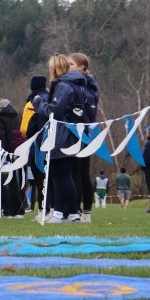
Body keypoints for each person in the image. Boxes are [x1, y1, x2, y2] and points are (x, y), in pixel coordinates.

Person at [32, 54, 88, 223]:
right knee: (60, 175)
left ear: (55, 68)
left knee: (62, 176)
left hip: (62, 136)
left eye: (50, 67)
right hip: (63, 135)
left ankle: (67, 213)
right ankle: (67, 213)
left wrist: (38, 104)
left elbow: (55, 111)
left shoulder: (64, 86)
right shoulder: (67, 85)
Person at [68, 53, 100, 223]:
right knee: (75, 173)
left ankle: (85, 212)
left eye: (71, 64)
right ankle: (78, 210)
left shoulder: (86, 86)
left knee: (81, 173)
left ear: (82, 68)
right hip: (77, 132)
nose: (68, 66)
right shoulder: (80, 85)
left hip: (83, 133)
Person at [0, 97, 24, 217]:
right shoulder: (17, 114)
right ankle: (20, 209)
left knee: (8, 181)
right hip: (19, 150)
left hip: (6, 152)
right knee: (19, 180)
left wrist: (1, 154)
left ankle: (12, 210)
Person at [20, 75, 48, 219]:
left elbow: (25, 129)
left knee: (39, 180)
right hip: (53, 144)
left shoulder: (31, 103)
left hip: (36, 146)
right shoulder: (52, 98)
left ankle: (43, 210)